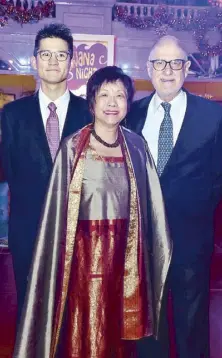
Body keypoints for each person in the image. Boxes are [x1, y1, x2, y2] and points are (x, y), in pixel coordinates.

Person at [13, 66, 172, 358]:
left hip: (126, 256)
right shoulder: (73, 147)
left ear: (129, 102)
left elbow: (151, 210)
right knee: (83, 325)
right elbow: (57, 215)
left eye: (120, 96)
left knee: (119, 328)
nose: (112, 103)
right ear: (92, 102)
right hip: (82, 258)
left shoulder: (137, 147)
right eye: (104, 95)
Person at [126, 35, 222, 358]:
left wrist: (196, 211)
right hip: (144, 244)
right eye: (160, 63)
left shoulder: (213, 116)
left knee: (191, 324)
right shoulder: (131, 116)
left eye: (176, 63)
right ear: (149, 69)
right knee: (148, 325)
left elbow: (219, 178)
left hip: (192, 241)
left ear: (186, 69)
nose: (168, 70)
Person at [1, 23, 91, 325]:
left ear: (73, 61)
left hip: (79, 233)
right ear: (34, 60)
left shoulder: (90, 113)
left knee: (73, 315)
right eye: (46, 54)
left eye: (61, 55)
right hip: (28, 231)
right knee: (31, 314)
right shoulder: (12, 115)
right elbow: (9, 170)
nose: (53, 62)